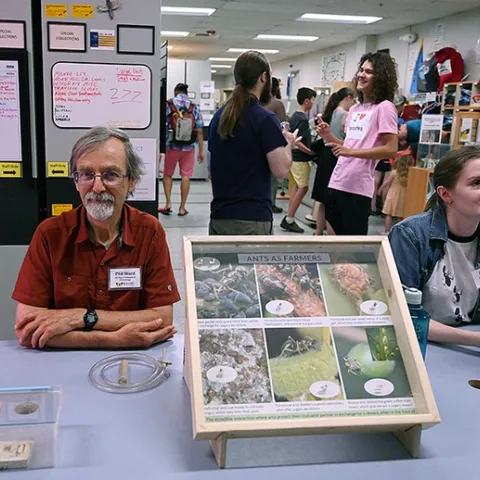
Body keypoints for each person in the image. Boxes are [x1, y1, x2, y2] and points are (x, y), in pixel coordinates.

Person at [12, 127, 180, 349]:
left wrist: (80, 317)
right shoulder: (50, 235)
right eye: (86, 174)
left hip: (132, 363)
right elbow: (27, 327)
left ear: (131, 182)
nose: (97, 187)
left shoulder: (149, 232)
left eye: (111, 174)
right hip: (62, 365)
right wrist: (113, 339)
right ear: (76, 181)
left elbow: (162, 318)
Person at [389, 146, 480, 347]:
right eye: (477, 183)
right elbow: (402, 316)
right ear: (446, 194)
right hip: (420, 346)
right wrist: (475, 340)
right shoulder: (410, 236)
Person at [208, 51, 299, 236]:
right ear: (263, 77)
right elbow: (281, 170)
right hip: (252, 220)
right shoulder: (265, 119)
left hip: (220, 216)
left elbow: (212, 170)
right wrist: (288, 144)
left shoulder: (219, 117)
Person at [316, 52, 399, 235]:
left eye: (369, 72)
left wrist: (350, 152)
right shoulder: (355, 109)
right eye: (361, 70)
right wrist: (329, 136)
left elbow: (391, 149)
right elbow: (348, 147)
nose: (361, 75)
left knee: (351, 252)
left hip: (357, 189)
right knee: (333, 246)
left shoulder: (384, 108)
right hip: (337, 182)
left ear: (380, 78)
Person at [310, 87, 356, 235]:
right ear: (348, 98)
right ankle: (332, 236)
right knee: (333, 201)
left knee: (323, 199)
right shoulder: (346, 115)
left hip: (325, 156)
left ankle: (318, 233)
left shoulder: (330, 113)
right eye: (353, 100)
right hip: (337, 156)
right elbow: (348, 142)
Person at [159, 83, 204, 217]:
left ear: (176, 91)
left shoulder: (169, 104)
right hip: (189, 147)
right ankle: (182, 207)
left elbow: (162, 124)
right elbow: (200, 130)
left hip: (172, 146)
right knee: (186, 176)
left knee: (168, 175)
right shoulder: (193, 106)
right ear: (186, 92)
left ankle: (168, 204)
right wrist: (201, 151)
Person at [280, 87, 317, 233]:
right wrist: (310, 152)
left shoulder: (295, 116)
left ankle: (289, 217)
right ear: (307, 100)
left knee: (296, 187)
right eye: (313, 99)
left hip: (295, 158)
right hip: (300, 158)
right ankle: (289, 218)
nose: (314, 102)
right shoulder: (301, 119)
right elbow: (297, 141)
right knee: (303, 187)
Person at [265, 77, 287, 214]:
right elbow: (283, 125)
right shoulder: (277, 104)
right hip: (272, 144)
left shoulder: (259, 103)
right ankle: (271, 203)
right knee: (273, 178)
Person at [379, 149, 413, 233]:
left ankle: (387, 231)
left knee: (389, 214)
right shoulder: (410, 174)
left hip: (392, 195)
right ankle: (399, 232)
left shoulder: (394, 172)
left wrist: (380, 189)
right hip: (403, 196)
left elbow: (387, 182)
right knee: (400, 216)